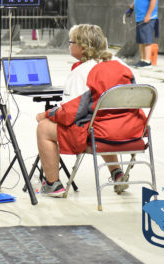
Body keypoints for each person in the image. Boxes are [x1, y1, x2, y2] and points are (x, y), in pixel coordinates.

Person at [35, 24, 146, 197]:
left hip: (102, 134)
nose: (68, 45)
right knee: (103, 116)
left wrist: (48, 114)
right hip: (132, 130)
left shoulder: (81, 72)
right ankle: (117, 173)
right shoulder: (122, 65)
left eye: (71, 42)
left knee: (44, 127)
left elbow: (69, 115)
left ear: (82, 47)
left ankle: (52, 184)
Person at [127, 0, 159, 68]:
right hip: (139, 16)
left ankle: (147, 62)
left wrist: (148, 15)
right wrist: (131, 8)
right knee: (140, 40)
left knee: (146, 39)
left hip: (148, 17)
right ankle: (142, 60)